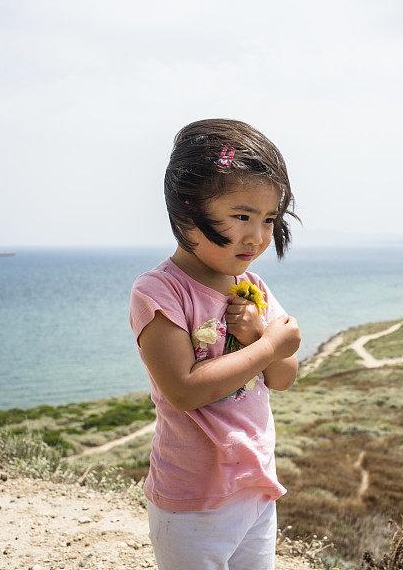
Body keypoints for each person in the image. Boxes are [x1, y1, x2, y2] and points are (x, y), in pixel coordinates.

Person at [129, 118, 302, 569]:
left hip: (256, 487)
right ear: (187, 213)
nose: (258, 236)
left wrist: (256, 334)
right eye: (241, 216)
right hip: (192, 500)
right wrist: (266, 346)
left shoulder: (254, 287)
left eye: (269, 219)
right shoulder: (159, 292)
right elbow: (183, 389)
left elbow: (284, 376)